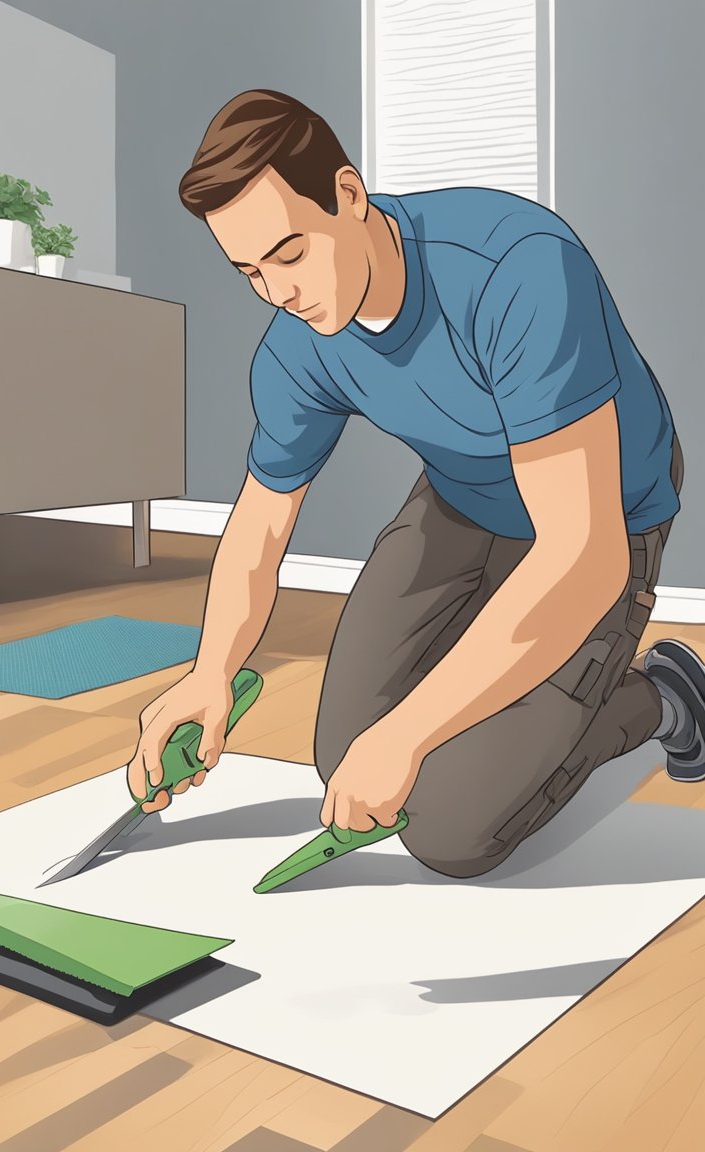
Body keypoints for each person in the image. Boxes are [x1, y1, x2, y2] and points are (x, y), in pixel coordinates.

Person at [128, 89, 703, 879]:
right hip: (462, 498)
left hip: (604, 511)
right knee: (346, 770)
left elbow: (583, 555)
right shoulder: (298, 343)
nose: (278, 292)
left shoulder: (518, 269)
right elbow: (261, 525)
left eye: (290, 254)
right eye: (249, 271)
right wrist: (212, 673)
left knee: (453, 830)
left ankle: (666, 695)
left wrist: (410, 735)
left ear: (349, 195)